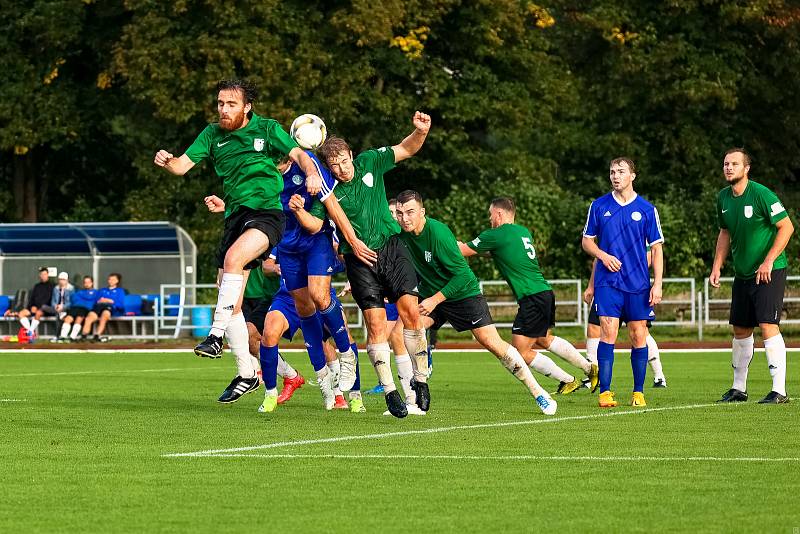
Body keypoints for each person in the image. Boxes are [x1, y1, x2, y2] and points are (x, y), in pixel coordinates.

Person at [154, 79, 332, 360]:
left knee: (234, 259)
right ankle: (248, 373)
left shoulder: (267, 128)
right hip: (234, 216)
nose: (224, 109)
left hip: (267, 215)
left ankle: (214, 336)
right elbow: (181, 166)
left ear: (247, 107)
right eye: (220, 103)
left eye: (231, 104)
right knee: (230, 298)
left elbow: (300, 154)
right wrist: (167, 160)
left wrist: (312, 173)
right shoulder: (212, 134)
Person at [395, 190, 557, 416]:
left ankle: (539, 392)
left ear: (422, 212)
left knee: (491, 343)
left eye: (410, 212)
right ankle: (415, 396)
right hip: (433, 295)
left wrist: (434, 299)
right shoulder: (400, 234)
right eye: (400, 213)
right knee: (403, 331)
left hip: (463, 293)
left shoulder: (439, 233)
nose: (405, 218)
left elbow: (463, 276)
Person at [317, 113, 433, 418]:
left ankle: (420, 379)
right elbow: (314, 223)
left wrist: (420, 132)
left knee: (410, 313)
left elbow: (406, 148)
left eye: (344, 161)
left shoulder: (370, 162)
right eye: (334, 166)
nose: (341, 169)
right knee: (376, 327)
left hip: (392, 250)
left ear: (352, 155)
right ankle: (390, 391)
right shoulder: (327, 190)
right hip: (358, 261)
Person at [460, 197, 599, 395]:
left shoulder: (496, 234)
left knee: (520, 351)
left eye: (491, 215)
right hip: (543, 293)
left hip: (531, 297)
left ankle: (569, 379)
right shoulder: (522, 232)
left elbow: (462, 251)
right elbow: (501, 253)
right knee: (543, 339)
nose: (490, 220)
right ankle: (589, 369)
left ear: (499, 214)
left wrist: (448, 242)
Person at [710, 148, 794, 404]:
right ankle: (739, 388)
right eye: (726, 164)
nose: (728, 167)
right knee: (740, 329)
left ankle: (779, 390)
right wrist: (717, 266)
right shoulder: (723, 198)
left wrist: (768, 261)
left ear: (746, 168)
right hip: (743, 273)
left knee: (768, 325)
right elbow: (725, 233)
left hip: (770, 270)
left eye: (734, 164)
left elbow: (787, 226)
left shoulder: (761, 194)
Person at [582, 157, 664, 408]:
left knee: (638, 334)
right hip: (608, 283)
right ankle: (605, 392)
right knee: (608, 331)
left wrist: (657, 283)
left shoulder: (647, 209)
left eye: (621, 171)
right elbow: (587, 241)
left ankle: (638, 392)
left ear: (633, 176)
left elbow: (657, 248)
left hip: (638, 283)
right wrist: (603, 258)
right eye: (612, 172)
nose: (615, 176)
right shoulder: (598, 206)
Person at [257, 258, 364, 414]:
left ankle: (354, 396)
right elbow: (266, 265)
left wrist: (352, 277)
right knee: (269, 333)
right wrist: (275, 267)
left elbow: (344, 256)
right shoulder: (286, 236)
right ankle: (270, 394)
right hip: (288, 299)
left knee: (342, 336)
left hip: (321, 295)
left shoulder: (323, 235)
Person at [584, 252, 667, 388]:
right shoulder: (605, 231)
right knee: (593, 328)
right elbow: (597, 256)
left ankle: (659, 376)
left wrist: (631, 270)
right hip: (606, 286)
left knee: (640, 332)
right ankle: (593, 375)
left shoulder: (640, 232)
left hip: (633, 288)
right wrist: (591, 286)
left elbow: (653, 253)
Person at [216, 259, 281, 403]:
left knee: (263, 338)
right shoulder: (240, 246)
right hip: (243, 295)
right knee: (244, 334)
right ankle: (254, 371)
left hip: (261, 294)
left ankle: (274, 373)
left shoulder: (261, 242)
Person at [80, 273, 126, 342]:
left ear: (117, 281)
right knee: (89, 317)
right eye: (110, 279)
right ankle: (83, 336)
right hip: (99, 306)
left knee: (104, 315)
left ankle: (97, 336)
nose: (111, 281)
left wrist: (110, 301)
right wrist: (100, 301)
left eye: (113, 280)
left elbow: (120, 304)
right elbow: (96, 300)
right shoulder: (102, 290)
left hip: (110, 308)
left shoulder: (120, 291)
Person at [17, 267, 55, 337]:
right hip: (34, 308)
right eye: (42, 274)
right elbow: (32, 299)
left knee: (38, 313)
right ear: (39, 275)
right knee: (21, 313)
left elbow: (50, 300)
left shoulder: (52, 286)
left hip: (45, 309)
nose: (43, 276)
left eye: (45, 274)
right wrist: (32, 306)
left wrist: (39, 308)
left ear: (48, 275)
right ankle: (30, 331)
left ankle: (30, 332)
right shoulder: (37, 286)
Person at [61, 276, 98, 341]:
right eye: (85, 282)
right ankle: (62, 337)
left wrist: (85, 299)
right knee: (68, 318)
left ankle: (72, 337)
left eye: (88, 282)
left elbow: (92, 301)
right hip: (75, 308)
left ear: (92, 283)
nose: (87, 284)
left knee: (79, 318)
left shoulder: (96, 292)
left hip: (85, 309)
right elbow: (74, 300)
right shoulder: (79, 292)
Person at [51, 272, 74, 341]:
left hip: (67, 308)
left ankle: (60, 335)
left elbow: (71, 302)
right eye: (60, 279)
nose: (61, 281)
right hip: (56, 308)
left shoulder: (71, 289)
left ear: (67, 280)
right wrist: (55, 306)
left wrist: (63, 307)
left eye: (63, 279)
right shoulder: (56, 288)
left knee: (61, 315)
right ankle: (58, 336)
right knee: (56, 313)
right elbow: (53, 300)